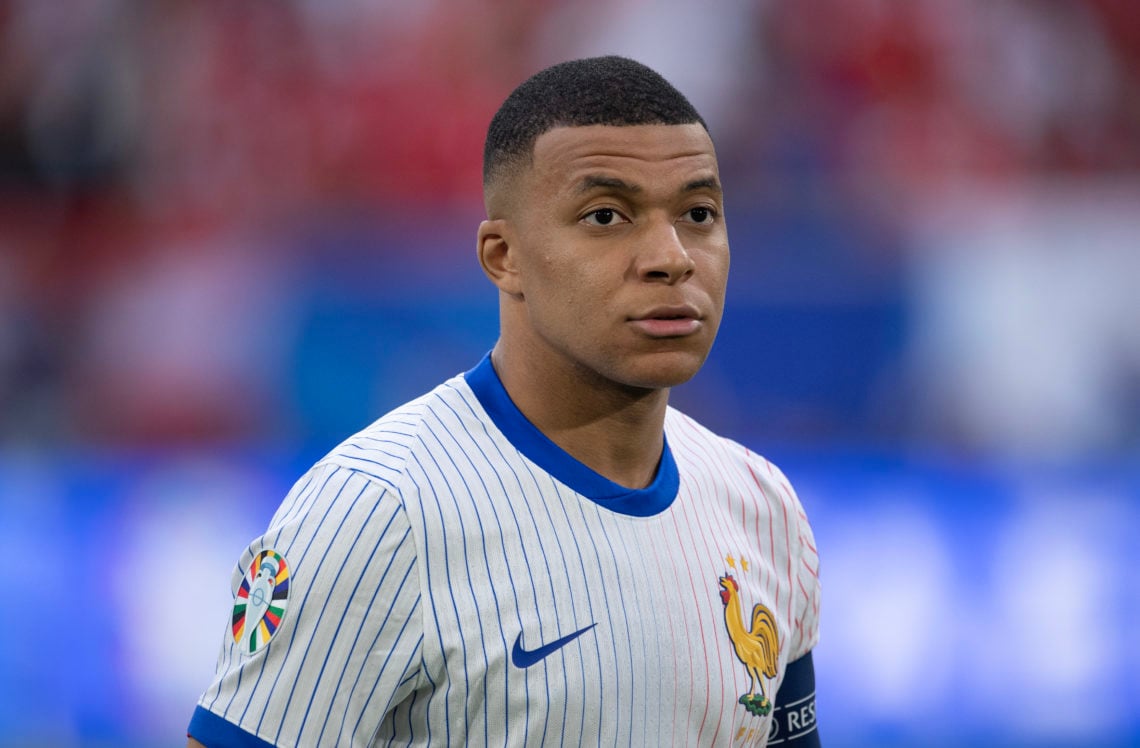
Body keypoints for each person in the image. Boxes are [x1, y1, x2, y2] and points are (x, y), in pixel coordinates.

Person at [187, 55, 821, 748]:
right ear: (503, 256)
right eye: (607, 215)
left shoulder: (764, 509)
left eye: (698, 213)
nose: (671, 256)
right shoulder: (376, 512)